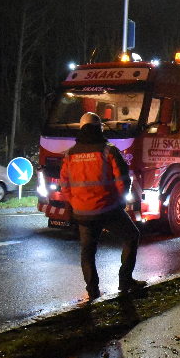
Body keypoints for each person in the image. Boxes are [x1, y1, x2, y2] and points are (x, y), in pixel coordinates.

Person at [60, 112, 145, 301]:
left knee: (88, 252)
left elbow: (64, 184)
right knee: (132, 237)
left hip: (82, 213)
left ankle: (92, 291)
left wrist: (73, 204)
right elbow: (123, 180)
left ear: (81, 129)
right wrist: (121, 201)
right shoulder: (109, 150)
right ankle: (125, 281)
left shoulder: (69, 154)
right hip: (109, 210)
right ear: (99, 128)